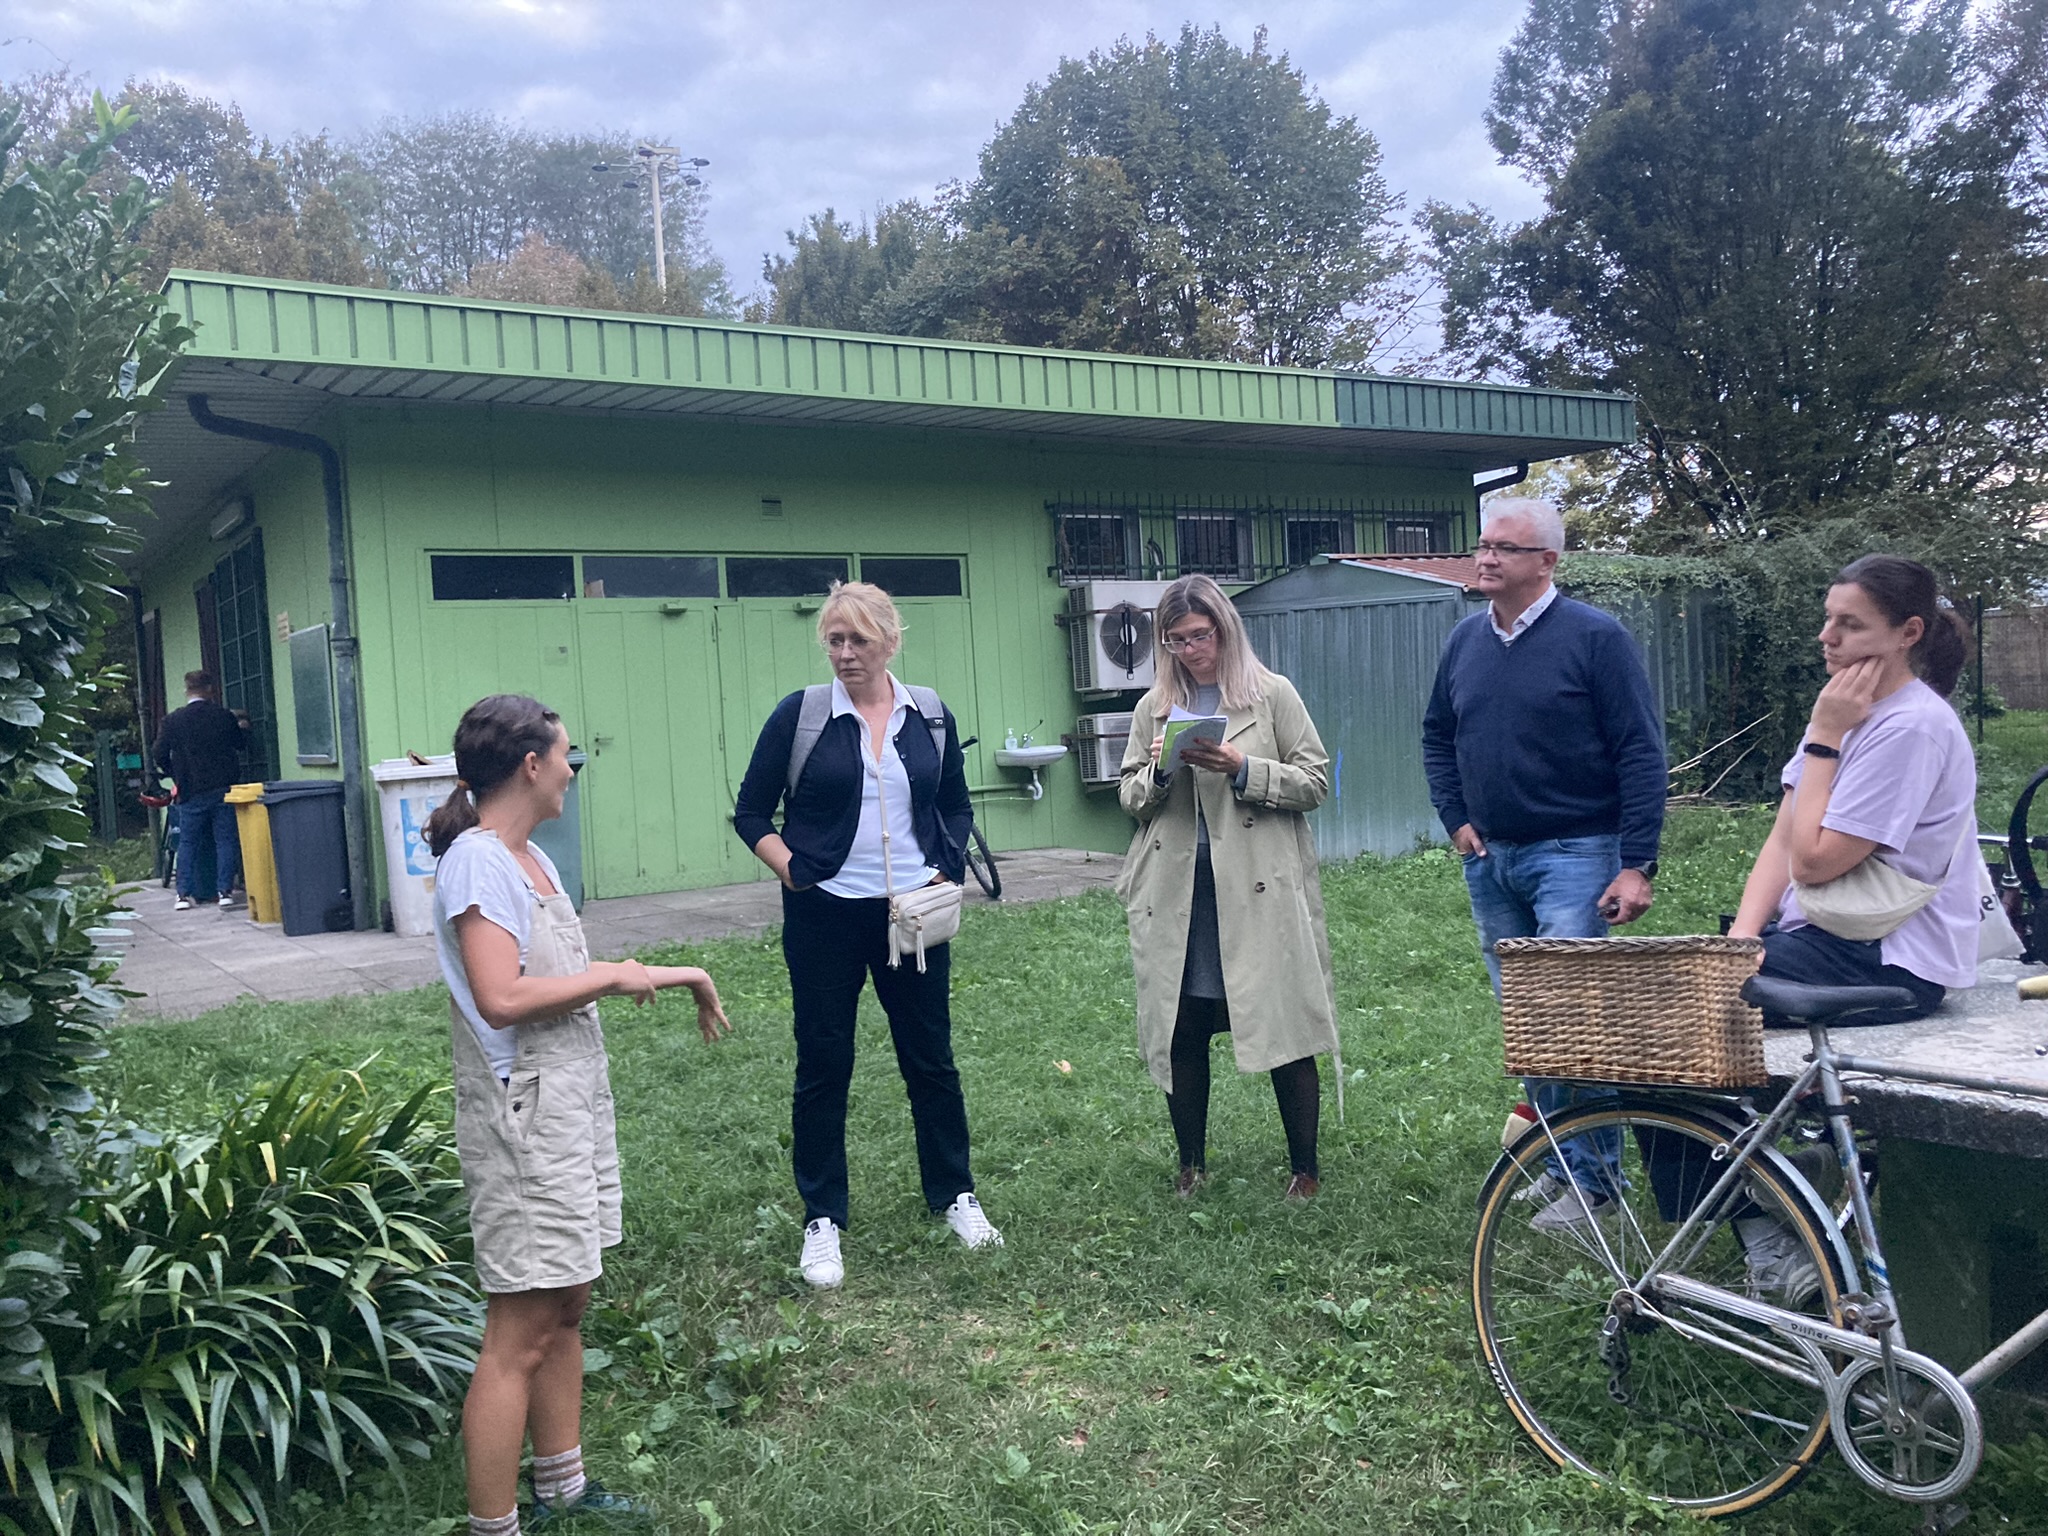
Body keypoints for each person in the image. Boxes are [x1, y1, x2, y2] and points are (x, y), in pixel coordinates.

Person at [425, 693, 730, 1536]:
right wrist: (615, 976)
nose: (571, 772)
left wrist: (679, 974)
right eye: (568, 757)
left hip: (569, 1107)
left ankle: (564, 1489)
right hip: (524, 1117)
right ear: (531, 764)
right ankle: (497, 1526)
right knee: (517, 1332)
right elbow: (501, 996)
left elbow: (576, 971)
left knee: (566, 1305)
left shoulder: (533, 861)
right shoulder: (480, 862)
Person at [732, 581, 999, 1292]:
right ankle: (823, 1218)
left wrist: (945, 874)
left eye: (859, 640)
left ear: (891, 640)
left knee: (931, 1060)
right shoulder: (804, 717)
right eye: (835, 640)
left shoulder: (929, 717)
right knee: (824, 1062)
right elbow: (751, 811)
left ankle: (955, 1194)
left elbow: (954, 802)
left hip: (914, 915)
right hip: (826, 915)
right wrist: (791, 871)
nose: (845, 654)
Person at [1421, 498, 1666, 1232]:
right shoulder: (1466, 641)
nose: (1486, 558)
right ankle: (1562, 1164)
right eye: (1483, 544)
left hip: (1576, 855)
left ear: (1546, 562)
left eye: (1505, 548)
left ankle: (1600, 1189)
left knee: (1570, 1020)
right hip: (1493, 859)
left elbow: (1641, 752)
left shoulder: (1595, 639)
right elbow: (1437, 734)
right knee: (1530, 1023)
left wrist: (1636, 863)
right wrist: (1456, 820)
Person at [1115, 574, 1340, 1201]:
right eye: (1176, 641)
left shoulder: (1272, 695)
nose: (1190, 651)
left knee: (1283, 1024)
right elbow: (1130, 797)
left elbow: (1315, 782)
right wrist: (1160, 772)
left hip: (1259, 887)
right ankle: (1190, 1165)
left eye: (1200, 636)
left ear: (1224, 630)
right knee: (1181, 1026)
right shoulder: (1152, 707)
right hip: (1181, 891)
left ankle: (1306, 1170)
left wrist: (1244, 768)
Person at [1729, 555, 1977, 1012]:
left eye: (1851, 625)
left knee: (1683, 998)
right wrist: (1740, 944)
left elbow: (1812, 864)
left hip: (1890, 957)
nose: (1827, 637)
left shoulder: (1911, 728)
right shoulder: (1844, 708)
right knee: (1695, 972)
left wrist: (1825, 740)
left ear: (1909, 634)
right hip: (1825, 936)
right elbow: (1783, 840)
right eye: (1828, 618)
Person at [150, 668, 249, 911]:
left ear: (187, 691)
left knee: (188, 842)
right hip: (222, 787)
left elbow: (158, 753)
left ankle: (183, 894)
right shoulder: (223, 715)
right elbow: (240, 743)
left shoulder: (172, 720)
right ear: (210, 689)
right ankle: (224, 890)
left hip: (190, 789)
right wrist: (244, 726)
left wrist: (176, 774)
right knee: (225, 840)